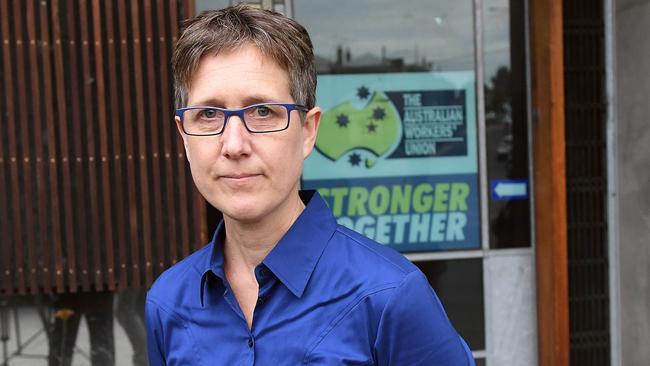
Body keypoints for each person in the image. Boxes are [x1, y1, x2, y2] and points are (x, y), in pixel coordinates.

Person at [145, 4, 475, 365]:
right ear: (184, 138)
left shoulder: (388, 296)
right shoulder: (168, 303)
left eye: (262, 111)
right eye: (209, 114)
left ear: (308, 131)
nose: (234, 145)